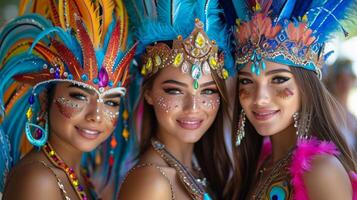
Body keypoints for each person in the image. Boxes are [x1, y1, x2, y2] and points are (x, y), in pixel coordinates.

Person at [0, 0, 137, 199]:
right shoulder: (38, 179)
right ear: (46, 98)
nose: (96, 116)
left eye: (111, 102)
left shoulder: (79, 175)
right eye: (79, 96)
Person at [228, 0, 357, 199]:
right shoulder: (261, 165)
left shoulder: (320, 170)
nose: (260, 98)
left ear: (306, 89)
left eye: (279, 80)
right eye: (247, 81)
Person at [118, 0, 235, 199]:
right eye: (175, 91)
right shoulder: (151, 182)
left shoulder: (199, 172)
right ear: (149, 93)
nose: (193, 107)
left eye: (208, 91)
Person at [325, 58, 357, 156]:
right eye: (340, 79)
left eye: (348, 79)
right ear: (333, 82)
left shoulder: (352, 116)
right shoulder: (328, 111)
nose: (345, 83)